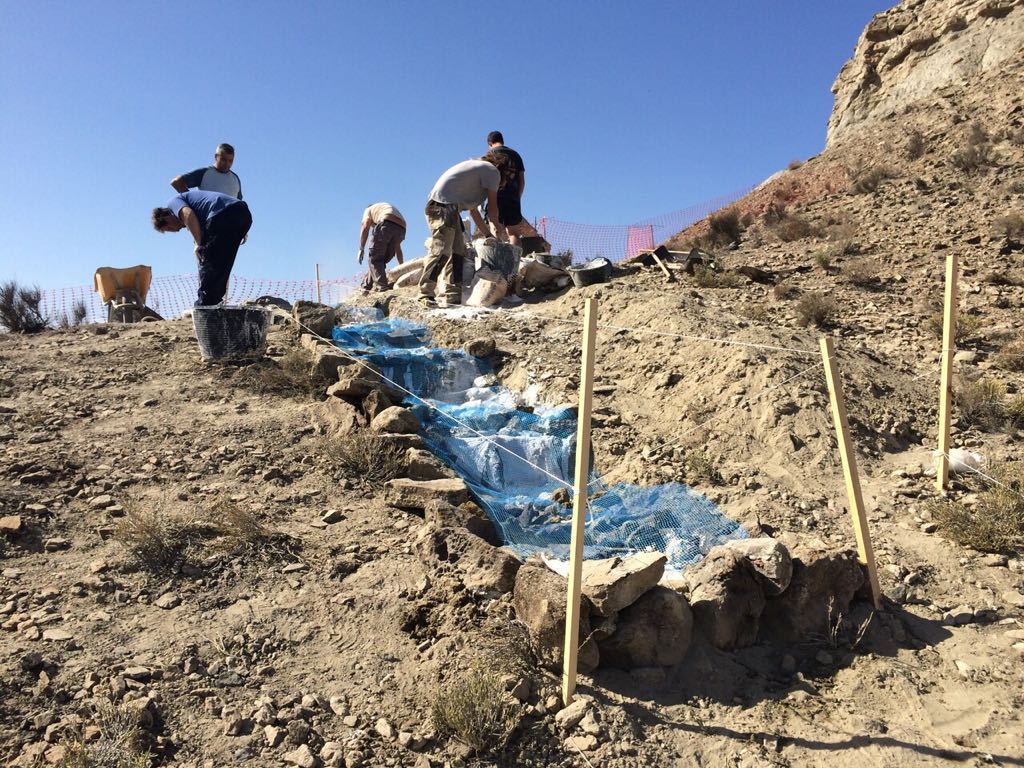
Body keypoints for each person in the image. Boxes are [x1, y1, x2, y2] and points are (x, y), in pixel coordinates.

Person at [419, 155, 510, 307]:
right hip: (442, 206)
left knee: (457, 253)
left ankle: (453, 295)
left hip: (450, 208)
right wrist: (498, 230)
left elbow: (473, 212)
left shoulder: (476, 175)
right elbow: (493, 209)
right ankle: (425, 293)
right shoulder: (493, 171)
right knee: (441, 250)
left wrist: (488, 234)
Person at [152, 190, 252, 306]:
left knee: (209, 260)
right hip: (242, 213)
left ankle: (205, 303)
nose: (176, 231)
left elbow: (188, 215)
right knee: (223, 264)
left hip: (223, 214)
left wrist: (199, 245)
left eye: (169, 228)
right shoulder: (199, 212)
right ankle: (214, 301)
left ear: (166, 217)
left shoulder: (173, 203)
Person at [484, 131, 527, 245]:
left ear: (490, 143)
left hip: (495, 196)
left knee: (495, 229)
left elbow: (485, 178)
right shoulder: (516, 155)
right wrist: (517, 197)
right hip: (513, 197)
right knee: (514, 233)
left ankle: (495, 255)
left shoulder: (491, 154)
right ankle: (515, 256)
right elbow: (522, 181)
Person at [358, 203, 406, 291]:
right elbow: (397, 248)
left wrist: (361, 248)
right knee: (379, 260)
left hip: (386, 223)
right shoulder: (382, 208)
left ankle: (382, 287)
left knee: (374, 258)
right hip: (402, 228)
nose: (373, 226)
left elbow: (365, 226)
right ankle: (366, 286)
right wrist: (402, 267)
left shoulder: (368, 210)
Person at [171, 143, 243, 200]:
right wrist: (192, 202)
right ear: (216, 157)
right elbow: (176, 182)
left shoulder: (235, 179)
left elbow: (239, 202)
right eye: (223, 160)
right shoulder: (204, 173)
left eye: (230, 161)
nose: (227, 164)